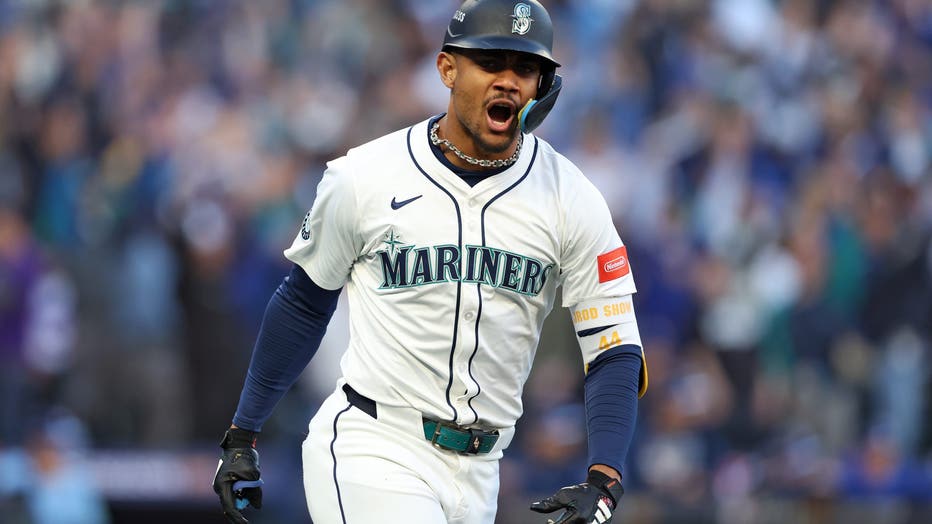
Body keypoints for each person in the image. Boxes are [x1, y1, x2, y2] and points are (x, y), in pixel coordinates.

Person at [212, 1, 647, 523]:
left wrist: (605, 477)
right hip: (374, 444)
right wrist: (243, 432)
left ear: (543, 87)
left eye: (525, 68)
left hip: (482, 471)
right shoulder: (366, 176)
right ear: (447, 68)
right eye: (491, 62)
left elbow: (614, 347)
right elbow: (305, 303)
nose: (508, 81)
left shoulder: (571, 197)